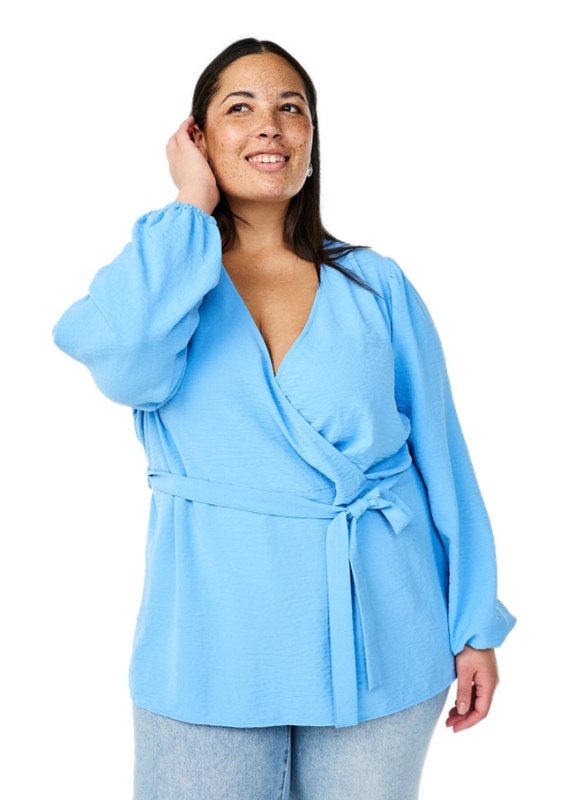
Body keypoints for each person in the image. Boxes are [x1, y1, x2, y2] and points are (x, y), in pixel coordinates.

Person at [53, 37, 516, 800]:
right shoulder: (166, 281)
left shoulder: (376, 284)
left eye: (290, 108)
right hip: (210, 642)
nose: (269, 124)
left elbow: (444, 458)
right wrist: (189, 204)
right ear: (197, 137)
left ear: (311, 139)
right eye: (240, 108)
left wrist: (472, 625)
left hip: (383, 634)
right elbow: (121, 357)